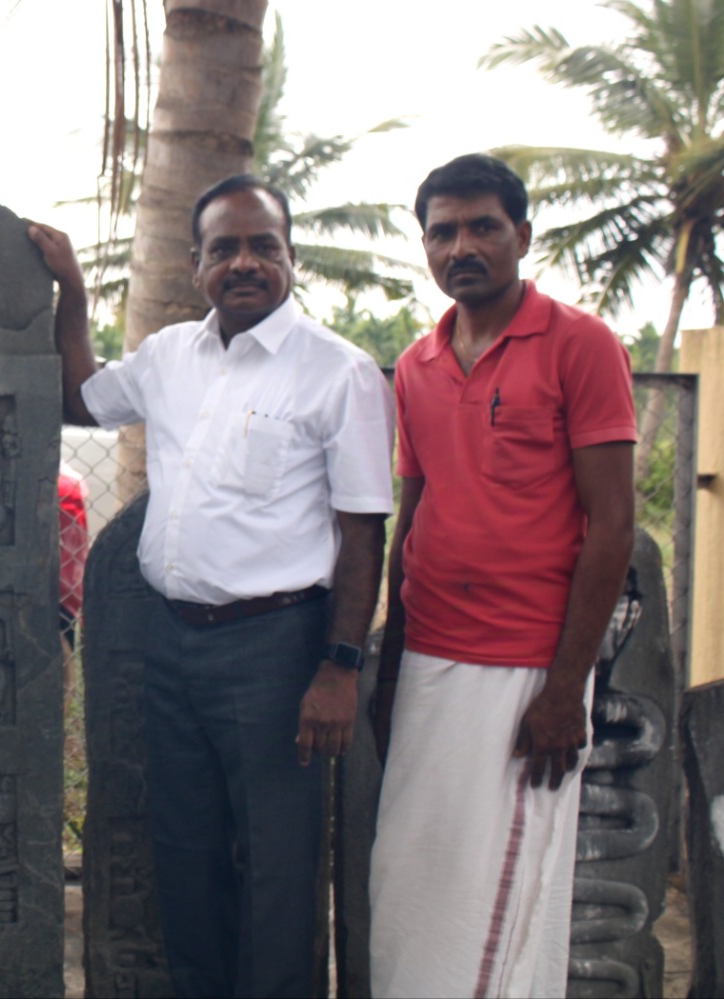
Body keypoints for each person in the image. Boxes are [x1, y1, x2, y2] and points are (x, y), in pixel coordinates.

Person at [31, 173, 395, 997]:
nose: (244, 263)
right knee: (185, 854)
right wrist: (74, 292)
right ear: (196, 263)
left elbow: (361, 531)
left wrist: (339, 665)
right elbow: (80, 399)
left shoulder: (338, 374)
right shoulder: (169, 357)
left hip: (277, 649)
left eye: (263, 246)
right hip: (172, 644)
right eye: (224, 248)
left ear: (291, 257)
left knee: (275, 868)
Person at [369, 153, 636, 998]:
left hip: (527, 669)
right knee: (409, 882)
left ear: (522, 234)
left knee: (497, 901)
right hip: (429, 659)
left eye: (483, 225)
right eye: (442, 231)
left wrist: (565, 689)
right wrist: (390, 655)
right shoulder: (416, 362)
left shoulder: (580, 344)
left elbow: (613, 526)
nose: (463, 245)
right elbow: (414, 511)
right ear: (425, 247)